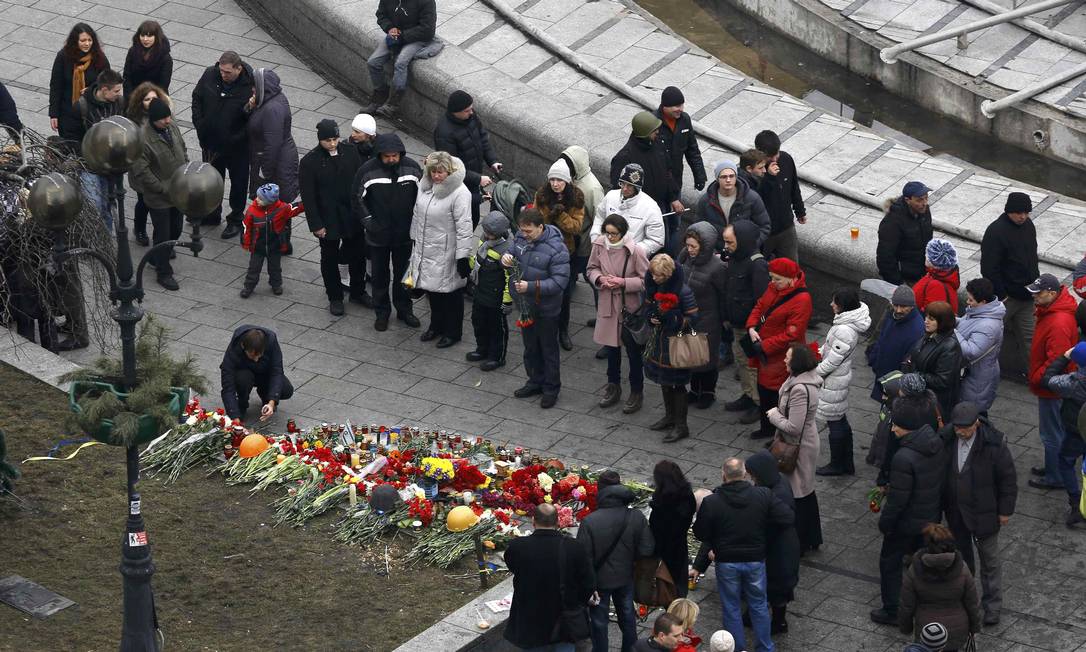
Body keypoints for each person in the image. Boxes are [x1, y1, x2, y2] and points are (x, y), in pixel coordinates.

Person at [692, 457, 793, 652]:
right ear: (745, 474)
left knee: (731, 606)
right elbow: (786, 517)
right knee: (759, 604)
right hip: (755, 560)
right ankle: (765, 647)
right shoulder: (763, 495)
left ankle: (736, 648)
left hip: (727, 561)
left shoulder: (712, 502)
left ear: (723, 475)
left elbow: (700, 533)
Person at [870, 393, 948, 625]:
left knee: (890, 563)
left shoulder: (904, 457)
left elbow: (898, 502)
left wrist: (885, 523)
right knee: (921, 564)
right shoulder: (935, 443)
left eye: (896, 424)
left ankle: (893, 610)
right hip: (929, 517)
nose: (892, 428)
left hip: (906, 522)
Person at [939, 401, 1018, 624]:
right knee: (962, 561)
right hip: (956, 513)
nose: (960, 432)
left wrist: (1005, 511)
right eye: (957, 428)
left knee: (990, 562)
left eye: (965, 428)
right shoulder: (945, 439)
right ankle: (966, 600)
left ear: (976, 424)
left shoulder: (994, 445)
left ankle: (992, 606)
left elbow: (1008, 481)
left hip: (985, 513)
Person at [577, 470, 655, 652]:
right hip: (626, 577)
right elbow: (647, 549)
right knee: (628, 616)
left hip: (599, 582)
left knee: (598, 621)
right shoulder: (635, 516)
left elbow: (582, 559)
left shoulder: (589, 521)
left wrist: (588, 584)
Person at [503, 503, 595, 652]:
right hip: (564, 619)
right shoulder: (574, 547)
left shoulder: (517, 547)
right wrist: (576, 603)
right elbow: (588, 583)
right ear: (558, 522)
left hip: (531, 620)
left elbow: (513, 567)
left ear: (533, 521)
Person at [354, 132, 422, 331]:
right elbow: (357, 199)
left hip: (404, 235)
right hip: (378, 237)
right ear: (380, 155)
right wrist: (370, 223)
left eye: (395, 155)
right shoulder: (367, 171)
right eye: (387, 156)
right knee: (379, 276)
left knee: (404, 275)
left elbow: (422, 197)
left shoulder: (412, 168)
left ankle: (404, 310)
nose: (392, 159)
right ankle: (382, 312)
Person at [503, 209, 571, 409]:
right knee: (530, 347)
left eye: (528, 231)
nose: (524, 235)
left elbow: (559, 283)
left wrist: (531, 287)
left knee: (548, 349)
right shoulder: (520, 237)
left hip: (546, 309)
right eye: (522, 230)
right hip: (525, 306)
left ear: (540, 227)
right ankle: (534, 381)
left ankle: (551, 388)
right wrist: (505, 258)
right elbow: (512, 252)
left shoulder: (557, 249)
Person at [299, 119, 364, 316]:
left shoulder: (351, 152)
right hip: (328, 219)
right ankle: (334, 296)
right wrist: (316, 225)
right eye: (328, 140)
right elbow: (308, 197)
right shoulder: (309, 162)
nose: (333, 144)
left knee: (358, 255)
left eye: (335, 139)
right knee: (329, 258)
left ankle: (358, 291)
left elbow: (359, 183)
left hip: (351, 216)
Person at [409, 151, 474, 347]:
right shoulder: (425, 186)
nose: (436, 176)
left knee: (451, 294)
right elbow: (417, 214)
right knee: (432, 291)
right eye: (433, 171)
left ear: (449, 171)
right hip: (425, 248)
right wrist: (414, 239)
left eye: (441, 172)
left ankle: (453, 332)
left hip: (446, 251)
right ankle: (436, 326)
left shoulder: (460, 193)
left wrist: (462, 256)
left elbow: (465, 227)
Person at [588, 214, 650, 413]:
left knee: (633, 353)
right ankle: (613, 387)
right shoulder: (599, 245)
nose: (610, 237)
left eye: (614, 234)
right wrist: (599, 279)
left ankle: (636, 391)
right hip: (607, 305)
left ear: (623, 233)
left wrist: (623, 283)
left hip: (629, 309)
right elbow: (591, 268)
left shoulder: (636, 251)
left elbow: (646, 280)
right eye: (607, 233)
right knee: (611, 351)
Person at [746, 258, 812, 440]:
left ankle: (778, 435)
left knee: (778, 396)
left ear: (791, 278)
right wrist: (751, 327)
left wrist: (764, 345)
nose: (773, 283)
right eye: (771, 278)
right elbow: (760, 306)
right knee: (763, 389)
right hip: (765, 353)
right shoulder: (774, 287)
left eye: (777, 279)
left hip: (782, 356)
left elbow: (792, 334)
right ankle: (766, 428)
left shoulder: (802, 300)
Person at [1026, 273, 1080, 493]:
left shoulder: (1057, 322)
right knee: (1055, 431)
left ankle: (1054, 475)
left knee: (1051, 434)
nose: (1034, 297)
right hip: (1052, 386)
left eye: (1038, 293)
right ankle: (1053, 467)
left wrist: (1038, 377)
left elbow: (1056, 360)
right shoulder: (1055, 312)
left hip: (1051, 389)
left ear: (1052, 293)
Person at [767, 343, 823, 553]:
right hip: (803, 442)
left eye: (788, 357)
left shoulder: (800, 388)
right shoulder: (800, 380)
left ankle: (800, 542)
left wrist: (774, 415)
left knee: (799, 494)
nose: (784, 360)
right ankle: (811, 538)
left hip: (799, 446)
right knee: (805, 491)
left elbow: (794, 427)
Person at [191, 51, 254, 238]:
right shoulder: (210, 74)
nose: (223, 75)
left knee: (239, 183)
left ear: (238, 68)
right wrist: (199, 124)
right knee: (212, 180)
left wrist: (236, 138)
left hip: (237, 148)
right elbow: (197, 98)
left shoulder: (249, 87)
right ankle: (212, 213)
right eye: (221, 70)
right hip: (210, 142)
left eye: (227, 72)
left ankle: (235, 219)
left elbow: (252, 119)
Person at [128, 98, 186, 291]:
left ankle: (155, 256)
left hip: (178, 191)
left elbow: (182, 147)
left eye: (168, 116)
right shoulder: (143, 139)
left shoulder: (172, 126)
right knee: (164, 234)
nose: (167, 121)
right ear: (153, 120)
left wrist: (185, 167)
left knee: (176, 229)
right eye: (163, 119)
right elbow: (142, 171)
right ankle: (163, 272)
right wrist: (161, 188)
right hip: (159, 197)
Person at [981, 191, 1039, 380]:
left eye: (1026, 212)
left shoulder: (1029, 226)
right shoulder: (996, 231)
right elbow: (989, 267)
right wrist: (1001, 293)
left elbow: (1032, 257)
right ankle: (980, 372)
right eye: (1018, 212)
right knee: (989, 338)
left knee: (1031, 340)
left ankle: (1036, 377)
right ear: (1009, 211)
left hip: (1027, 295)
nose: (1023, 216)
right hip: (1006, 298)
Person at [814, 288, 872, 476]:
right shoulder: (845, 325)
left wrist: (816, 372)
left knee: (834, 421)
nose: (831, 305)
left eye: (835, 302)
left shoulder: (844, 329)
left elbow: (833, 360)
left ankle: (838, 464)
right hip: (838, 378)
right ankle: (845, 463)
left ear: (843, 306)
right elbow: (831, 350)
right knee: (839, 418)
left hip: (834, 381)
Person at [899, 524, 982, 651]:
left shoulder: (915, 570)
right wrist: (974, 627)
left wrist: (906, 627)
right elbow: (972, 602)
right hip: (958, 627)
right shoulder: (962, 568)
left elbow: (907, 604)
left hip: (928, 629)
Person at [643, 254, 699, 443]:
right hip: (660, 343)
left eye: (658, 275)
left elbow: (693, 319)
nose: (654, 277)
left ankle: (681, 426)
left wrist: (674, 319)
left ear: (667, 274)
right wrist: (651, 317)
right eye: (652, 274)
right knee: (665, 382)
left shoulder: (683, 292)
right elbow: (648, 306)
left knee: (678, 385)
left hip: (677, 344)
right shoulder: (655, 286)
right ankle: (670, 417)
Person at [745, 450, 800, 634]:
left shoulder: (773, 495)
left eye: (752, 473)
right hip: (783, 546)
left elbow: (770, 522)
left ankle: (778, 622)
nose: (750, 477)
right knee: (775, 587)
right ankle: (770, 618)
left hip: (778, 550)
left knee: (775, 587)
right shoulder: (780, 482)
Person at [535, 160, 587, 351]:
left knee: (564, 294)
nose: (555, 183)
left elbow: (576, 227)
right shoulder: (542, 196)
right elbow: (537, 223)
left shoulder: (576, 198)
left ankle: (563, 330)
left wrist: (561, 215)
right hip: (545, 249)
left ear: (567, 181)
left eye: (559, 180)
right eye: (552, 179)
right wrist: (550, 215)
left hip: (566, 251)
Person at [610, 111, 679, 251]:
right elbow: (617, 189)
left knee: (662, 244)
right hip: (638, 212)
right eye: (654, 130)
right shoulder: (625, 157)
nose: (658, 132)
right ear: (644, 133)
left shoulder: (657, 144)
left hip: (660, 207)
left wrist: (673, 198)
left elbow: (668, 172)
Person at [722, 222, 770, 425]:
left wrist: (754, 327)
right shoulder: (735, 258)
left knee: (751, 366)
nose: (725, 246)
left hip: (749, 327)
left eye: (729, 242)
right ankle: (747, 394)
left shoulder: (757, 264)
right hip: (736, 322)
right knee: (742, 363)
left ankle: (757, 403)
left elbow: (762, 300)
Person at [433, 90, 501, 228]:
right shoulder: (444, 133)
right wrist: (478, 179)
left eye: (471, 108)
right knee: (462, 222)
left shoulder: (471, 117)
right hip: (458, 185)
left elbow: (482, 139)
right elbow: (450, 167)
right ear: (455, 111)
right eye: (467, 110)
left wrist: (492, 161)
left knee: (473, 219)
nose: (471, 112)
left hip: (472, 180)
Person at [679, 223, 727, 409]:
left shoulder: (717, 267)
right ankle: (694, 390)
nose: (689, 249)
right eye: (688, 245)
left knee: (706, 359)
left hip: (708, 319)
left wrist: (724, 320)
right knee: (692, 356)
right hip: (688, 317)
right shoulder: (685, 256)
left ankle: (708, 391)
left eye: (693, 246)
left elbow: (723, 295)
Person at [365, 0, 437, 118]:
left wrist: (402, 36)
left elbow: (427, 30)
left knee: (401, 63)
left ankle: (393, 103)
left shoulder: (427, 2)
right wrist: (390, 28)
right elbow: (381, 15)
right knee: (373, 62)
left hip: (416, 39)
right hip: (395, 35)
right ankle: (380, 94)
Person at [1041, 342, 1086, 527]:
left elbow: (1048, 379)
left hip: (1076, 431)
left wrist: (1064, 357)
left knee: (1065, 462)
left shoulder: (1073, 382)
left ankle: (1076, 503)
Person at [74, 68, 124, 230]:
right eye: (116, 91)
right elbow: (72, 138)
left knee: (109, 205)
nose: (119, 94)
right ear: (104, 90)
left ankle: (107, 241)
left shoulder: (120, 103)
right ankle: (97, 241)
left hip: (112, 167)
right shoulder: (81, 107)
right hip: (90, 167)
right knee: (94, 206)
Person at [560, 145, 606, 323]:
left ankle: (602, 317)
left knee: (592, 278)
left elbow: (600, 216)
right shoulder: (572, 180)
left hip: (585, 242)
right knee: (570, 274)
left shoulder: (592, 188)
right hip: (573, 239)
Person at [248, 69, 299, 214]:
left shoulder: (272, 109)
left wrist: (265, 173)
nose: (252, 89)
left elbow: (272, 144)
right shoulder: (272, 100)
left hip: (276, 166)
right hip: (276, 162)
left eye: (254, 86)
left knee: (275, 209)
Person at [689, 160, 770, 252]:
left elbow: (764, 226)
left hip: (745, 253)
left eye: (731, 176)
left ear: (736, 177)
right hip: (717, 253)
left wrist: (750, 245)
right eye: (724, 177)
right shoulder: (706, 201)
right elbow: (698, 229)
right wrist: (711, 250)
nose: (728, 180)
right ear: (717, 178)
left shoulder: (751, 198)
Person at [49, 23, 110, 145]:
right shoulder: (63, 57)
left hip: (92, 115)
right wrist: (53, 114)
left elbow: (107, 83)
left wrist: (92, 89)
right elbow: (56, 86)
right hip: (68, 113)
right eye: (83, 40)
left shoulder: (99, 58)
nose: (87, 44)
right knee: (71, 147)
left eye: (89, 40)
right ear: (75, 41)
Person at [240, 183, 304, 298]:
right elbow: (246, 228)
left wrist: (306, 203)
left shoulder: (282, 209)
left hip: (275, 246)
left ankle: (276, 284)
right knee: (253, 268)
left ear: (270, 201)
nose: (257, 200)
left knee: (275, 268)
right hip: (257, 247)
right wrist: (246, 243)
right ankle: (248, 286)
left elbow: (294, 209)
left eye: (260, 198)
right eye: (258, 197)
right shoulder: (252, 211)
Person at [125, 82, 169, 246]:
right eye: (147, 99)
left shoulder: (164, 115)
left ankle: (163, 241)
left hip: (162, 168)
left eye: (154, 98)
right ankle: (140, 228)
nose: (151, 102)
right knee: (144, 201)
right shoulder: (135, 121)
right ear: (140, 102)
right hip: (143, 169)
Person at [468, 211, 513, 371]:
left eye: (489, 233)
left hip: (496, 297)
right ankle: (482, 349)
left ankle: (497, 357)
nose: (486, 235)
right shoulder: (484, 239)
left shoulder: (507, 250)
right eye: (485, 231)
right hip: (480, 290)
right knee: (478, 321)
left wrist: (507, 300)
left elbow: (510, 278)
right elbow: (478, 259)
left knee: (496, 328)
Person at [903, 301, 963, 420]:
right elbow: (914, 354)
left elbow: (942, 380)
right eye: (926, 317)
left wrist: (915, 375)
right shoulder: (929, 334)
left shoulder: (950, 346)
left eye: (931, 319)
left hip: (933, 402)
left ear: (942, 322)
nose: (926, 321)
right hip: (919, 395)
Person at [220, 326, 293, 422]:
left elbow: (277, 371)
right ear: (243, 346)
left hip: (264, 374)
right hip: (244, 375)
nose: (256, 359)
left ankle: (266, 397)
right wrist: (234, 417)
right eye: (252, 355)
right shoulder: (234, 350)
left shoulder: (271, 341)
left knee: (286, 389)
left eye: (259, 355)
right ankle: (241, 404)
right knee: (243, 379)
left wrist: (272, 402)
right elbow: (228, 388)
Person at [591, 164, 666, 257]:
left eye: (630, 185)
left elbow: (656, 240)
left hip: (629, 261)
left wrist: (632, 250)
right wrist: (595, 237)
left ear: (637, 188)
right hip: (604, 253)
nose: (625, 189)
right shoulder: (611, 196)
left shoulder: (651, 208)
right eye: (622, 183)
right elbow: (600, 217)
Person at [753, 130, 805, 263]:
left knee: (792, 268)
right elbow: (756, 198)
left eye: (777, 153)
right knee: (761, 269)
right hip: (763, 232)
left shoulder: (786, 159)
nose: (775, 158)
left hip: (786, 227)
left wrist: (800, 211)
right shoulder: (753, 170)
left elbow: (794, 187)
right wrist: (769, 177)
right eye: (771, 156)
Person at [955, 278, 1005, 413]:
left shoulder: (988, 326)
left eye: (971, 300)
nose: (967, 302)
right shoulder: (979, 311)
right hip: (975, 375)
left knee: (974, 415)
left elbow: (971, 351)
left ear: (983, 302)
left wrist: (953, 331)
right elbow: (969, 325)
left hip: (976, 381)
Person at [868, 284, 925, 401]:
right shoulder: (892, 316)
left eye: (903, 306)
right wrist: (874, 359)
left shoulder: (918, 329)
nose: (898, 310)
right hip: (884, 374)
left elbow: (910, 362)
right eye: (896, 305)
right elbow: (881, 339)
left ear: (912, 306)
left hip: (897, 384)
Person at [649, 461, 696, 599]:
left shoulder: (661, 504)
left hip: (663, 549)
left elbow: (656, 528)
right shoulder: (687, 496)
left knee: (666, 585)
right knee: (678, 585)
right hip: (679, 547)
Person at [655, 86, 706, 200]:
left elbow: (692, 150)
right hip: (657, 184)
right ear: (665, 106)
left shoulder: (685, 120)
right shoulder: (654, 122)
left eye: (682, 105)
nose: (681, 109)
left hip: (676, 181)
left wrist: (700, 176)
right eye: (677, 106)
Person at [877, 182, 933, 285]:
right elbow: (885, 257)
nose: (924, 203)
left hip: (923, 274)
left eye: (926, 198)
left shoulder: (924, 211)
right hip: (906, 279)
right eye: (919, 200)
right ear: (908, 200)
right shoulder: (892, 222)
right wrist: (899, 283)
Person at [122, 21, 172, 96]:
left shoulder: (165, 58)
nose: (145, 39)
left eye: (149, 36)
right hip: (133, 97)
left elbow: (163, 84)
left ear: (156, 37)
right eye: (142, 35)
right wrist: (130, 97)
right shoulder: (133, 51)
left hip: (155, 98)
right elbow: (127, 76)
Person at [913, 239, 960, 314]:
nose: (925, 255)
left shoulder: (936, 286)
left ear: (932, 261)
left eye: (927, 254)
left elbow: (932, 315)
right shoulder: (936, 275)